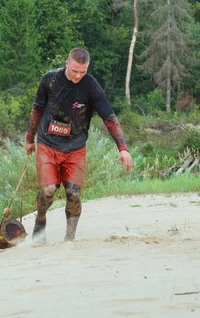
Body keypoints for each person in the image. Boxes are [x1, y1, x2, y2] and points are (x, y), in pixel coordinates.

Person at [25, 47, 133, 243]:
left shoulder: (91, 87)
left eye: (82, 72)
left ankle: (70, 240)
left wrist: (123, 149)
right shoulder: (50, 80)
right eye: (74, 71)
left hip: (75, 147)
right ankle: (40, 222)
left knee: (73, 194)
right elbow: (37, 108)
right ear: (67, 63)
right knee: (48, 192)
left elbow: (109, 117)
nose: (77, 76)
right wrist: (29, 139)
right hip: (48, 145)